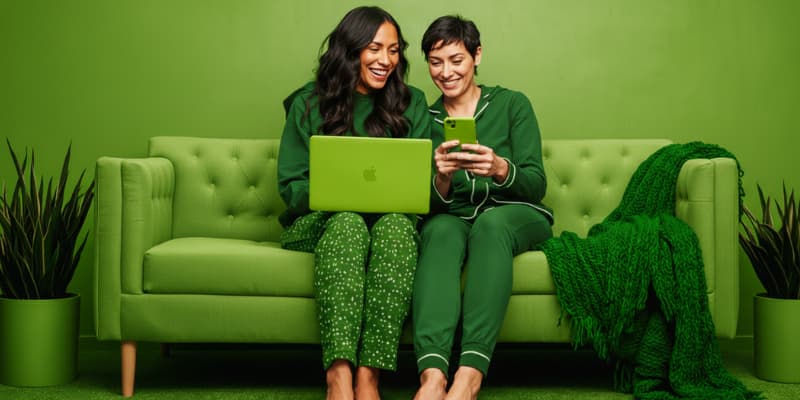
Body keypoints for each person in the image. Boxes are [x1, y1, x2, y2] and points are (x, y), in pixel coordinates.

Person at [277, 6, 431, 400]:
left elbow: (422, 183)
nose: (386, 61)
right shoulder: (308, 103)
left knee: (396, 228)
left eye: (394, 51)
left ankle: (369, 376)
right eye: (375, 48)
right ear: (350, 49)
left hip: (388, 223)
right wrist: (333, 192)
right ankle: (339, 376)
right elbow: (291, 185)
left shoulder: (411, 103)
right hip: (324, 223)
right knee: (347, 223)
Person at [412, 15, 554, 400]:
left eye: (456, 60)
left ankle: (469, 377)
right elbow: (420, 204)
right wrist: (441, 178)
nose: (445, 72)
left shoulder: (512, 104)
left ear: (477, 55)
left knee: (491, 225)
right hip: (454, 216)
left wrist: (500, 168)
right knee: (438, 231)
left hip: (515, 213)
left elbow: (536, 184)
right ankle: (432, 376)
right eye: (435, 62)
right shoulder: (423, 119)